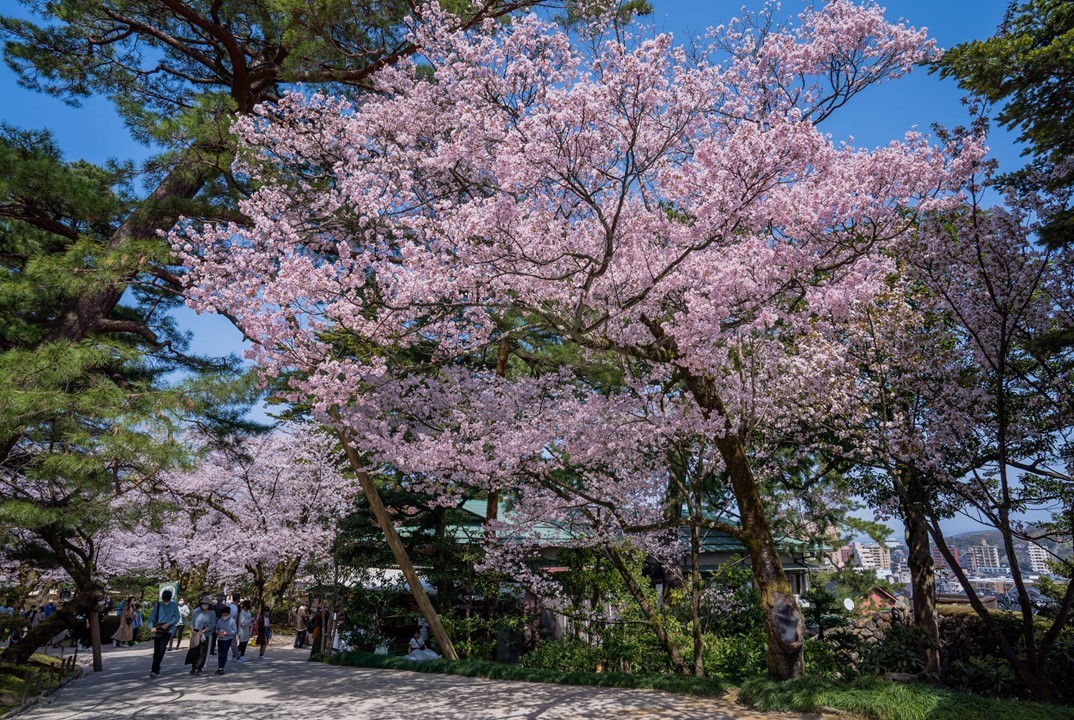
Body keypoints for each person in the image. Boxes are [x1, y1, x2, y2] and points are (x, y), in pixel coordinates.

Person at [147, 589, 181, 678]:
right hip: (158, 629)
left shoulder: (174, 605)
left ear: (170, 598)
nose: (165, 602)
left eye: (167, 600)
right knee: (156, 650)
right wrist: (151, 627)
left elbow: (177, 618)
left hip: (168, 630)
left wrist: (168, 624)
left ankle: (155, 669)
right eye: (164, 600)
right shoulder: (158, 605)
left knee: (162, 650)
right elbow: (151, 618)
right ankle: (155, 667)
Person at [187, 596, 216, 675]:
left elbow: (213, 624)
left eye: (206, 604)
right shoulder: (197, 612)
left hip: (206, 635)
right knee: (194, 651)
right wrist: (191, 628)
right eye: (203, 603)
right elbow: (191, 621)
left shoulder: (212, 613)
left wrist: (205, 630)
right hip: (196, 634)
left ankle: (199, 668)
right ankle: (194, 666)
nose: (204, 605)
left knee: (203, 652)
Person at [212, 605, 237, 675]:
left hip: (228, 639)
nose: (224, 616)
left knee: (224, 653)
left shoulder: (232, 621)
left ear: (228, 614)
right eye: (223, 615)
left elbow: (235, 631)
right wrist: (218, 632)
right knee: (220, 653)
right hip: (220, 639)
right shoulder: (219, 621)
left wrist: (227, 633)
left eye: (225, 615)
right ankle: (220, 667)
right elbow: (216, 629)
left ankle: (222, 667)